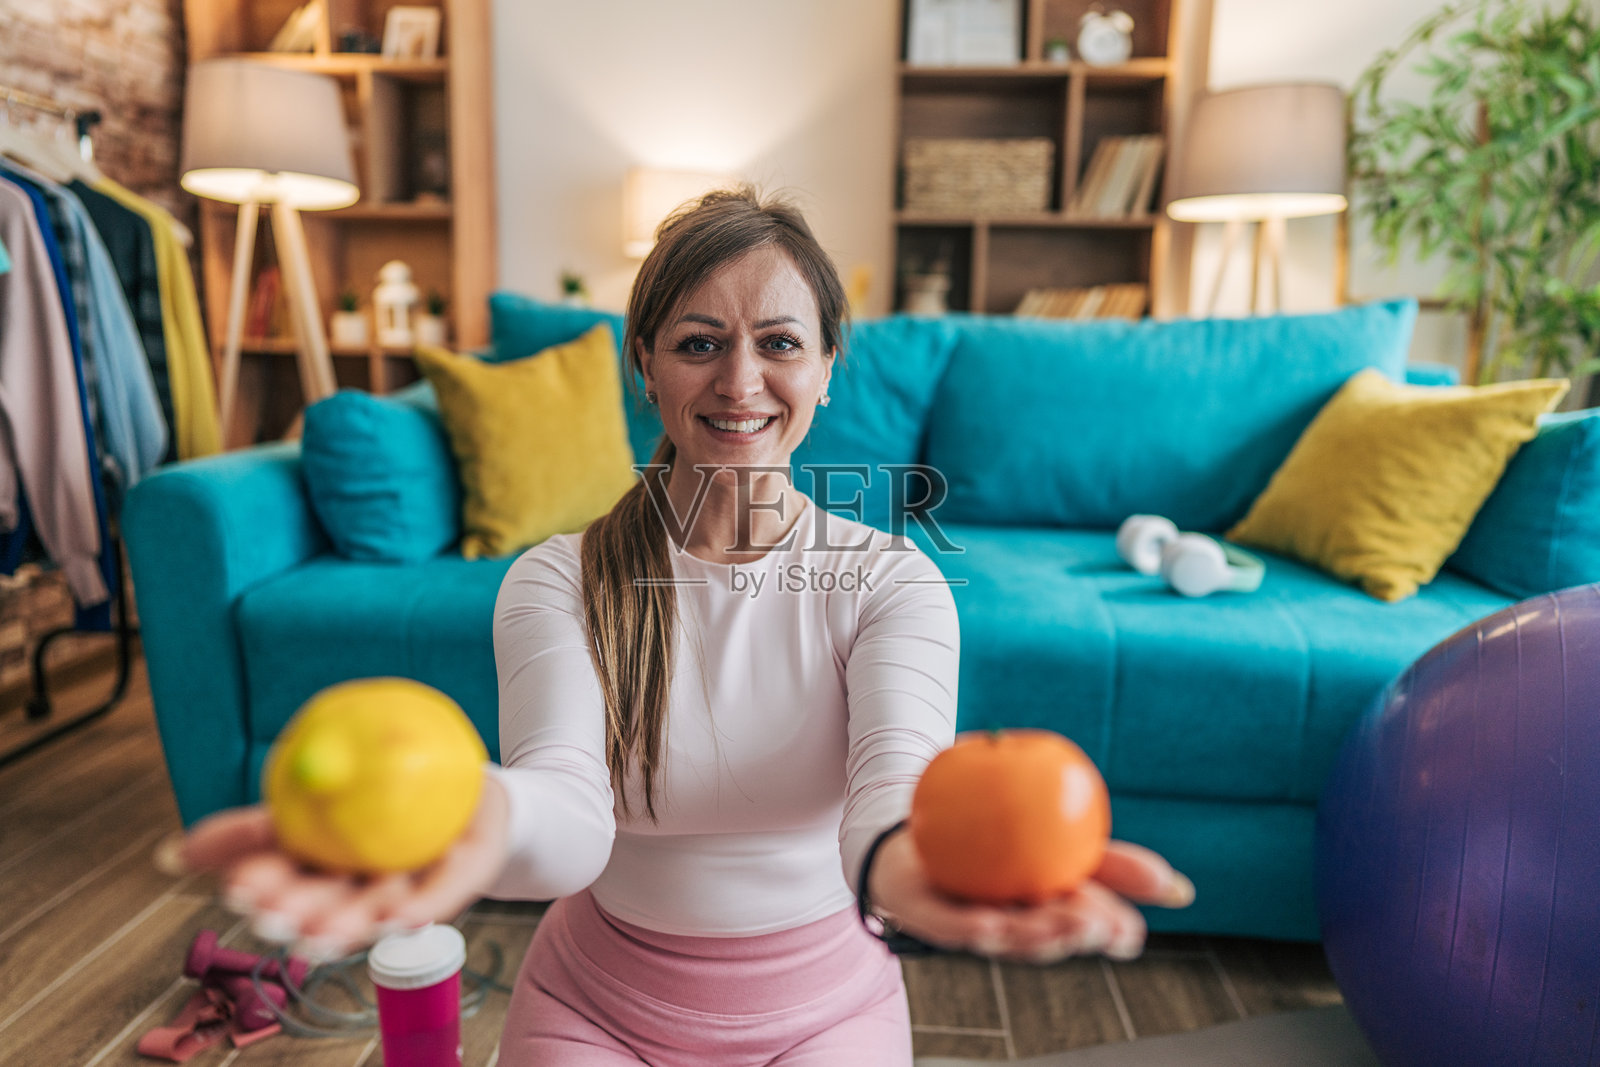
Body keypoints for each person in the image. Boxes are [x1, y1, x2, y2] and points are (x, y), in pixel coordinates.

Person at [162, 187, 1195, 1065]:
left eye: (779, 343)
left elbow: (889, 793)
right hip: (594, 1008)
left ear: (829, 368)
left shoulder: (890, 582)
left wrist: (905, 864)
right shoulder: (557, 579)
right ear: (642, 364)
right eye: (700, 343)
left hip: (826, 1012)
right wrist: (469, 815)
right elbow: (566, 815)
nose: (740, 382)